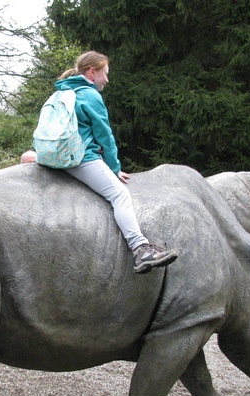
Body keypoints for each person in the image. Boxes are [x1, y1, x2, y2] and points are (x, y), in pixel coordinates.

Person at [52, 51, 178, 274]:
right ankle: (140, 249)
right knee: (120, 194)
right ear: (92, 72)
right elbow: (105, 137)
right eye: (105, 74)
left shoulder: (61, 91)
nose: (107, 80)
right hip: (80, 158)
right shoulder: (90, 95)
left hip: (54, 156)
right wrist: (114, 168)